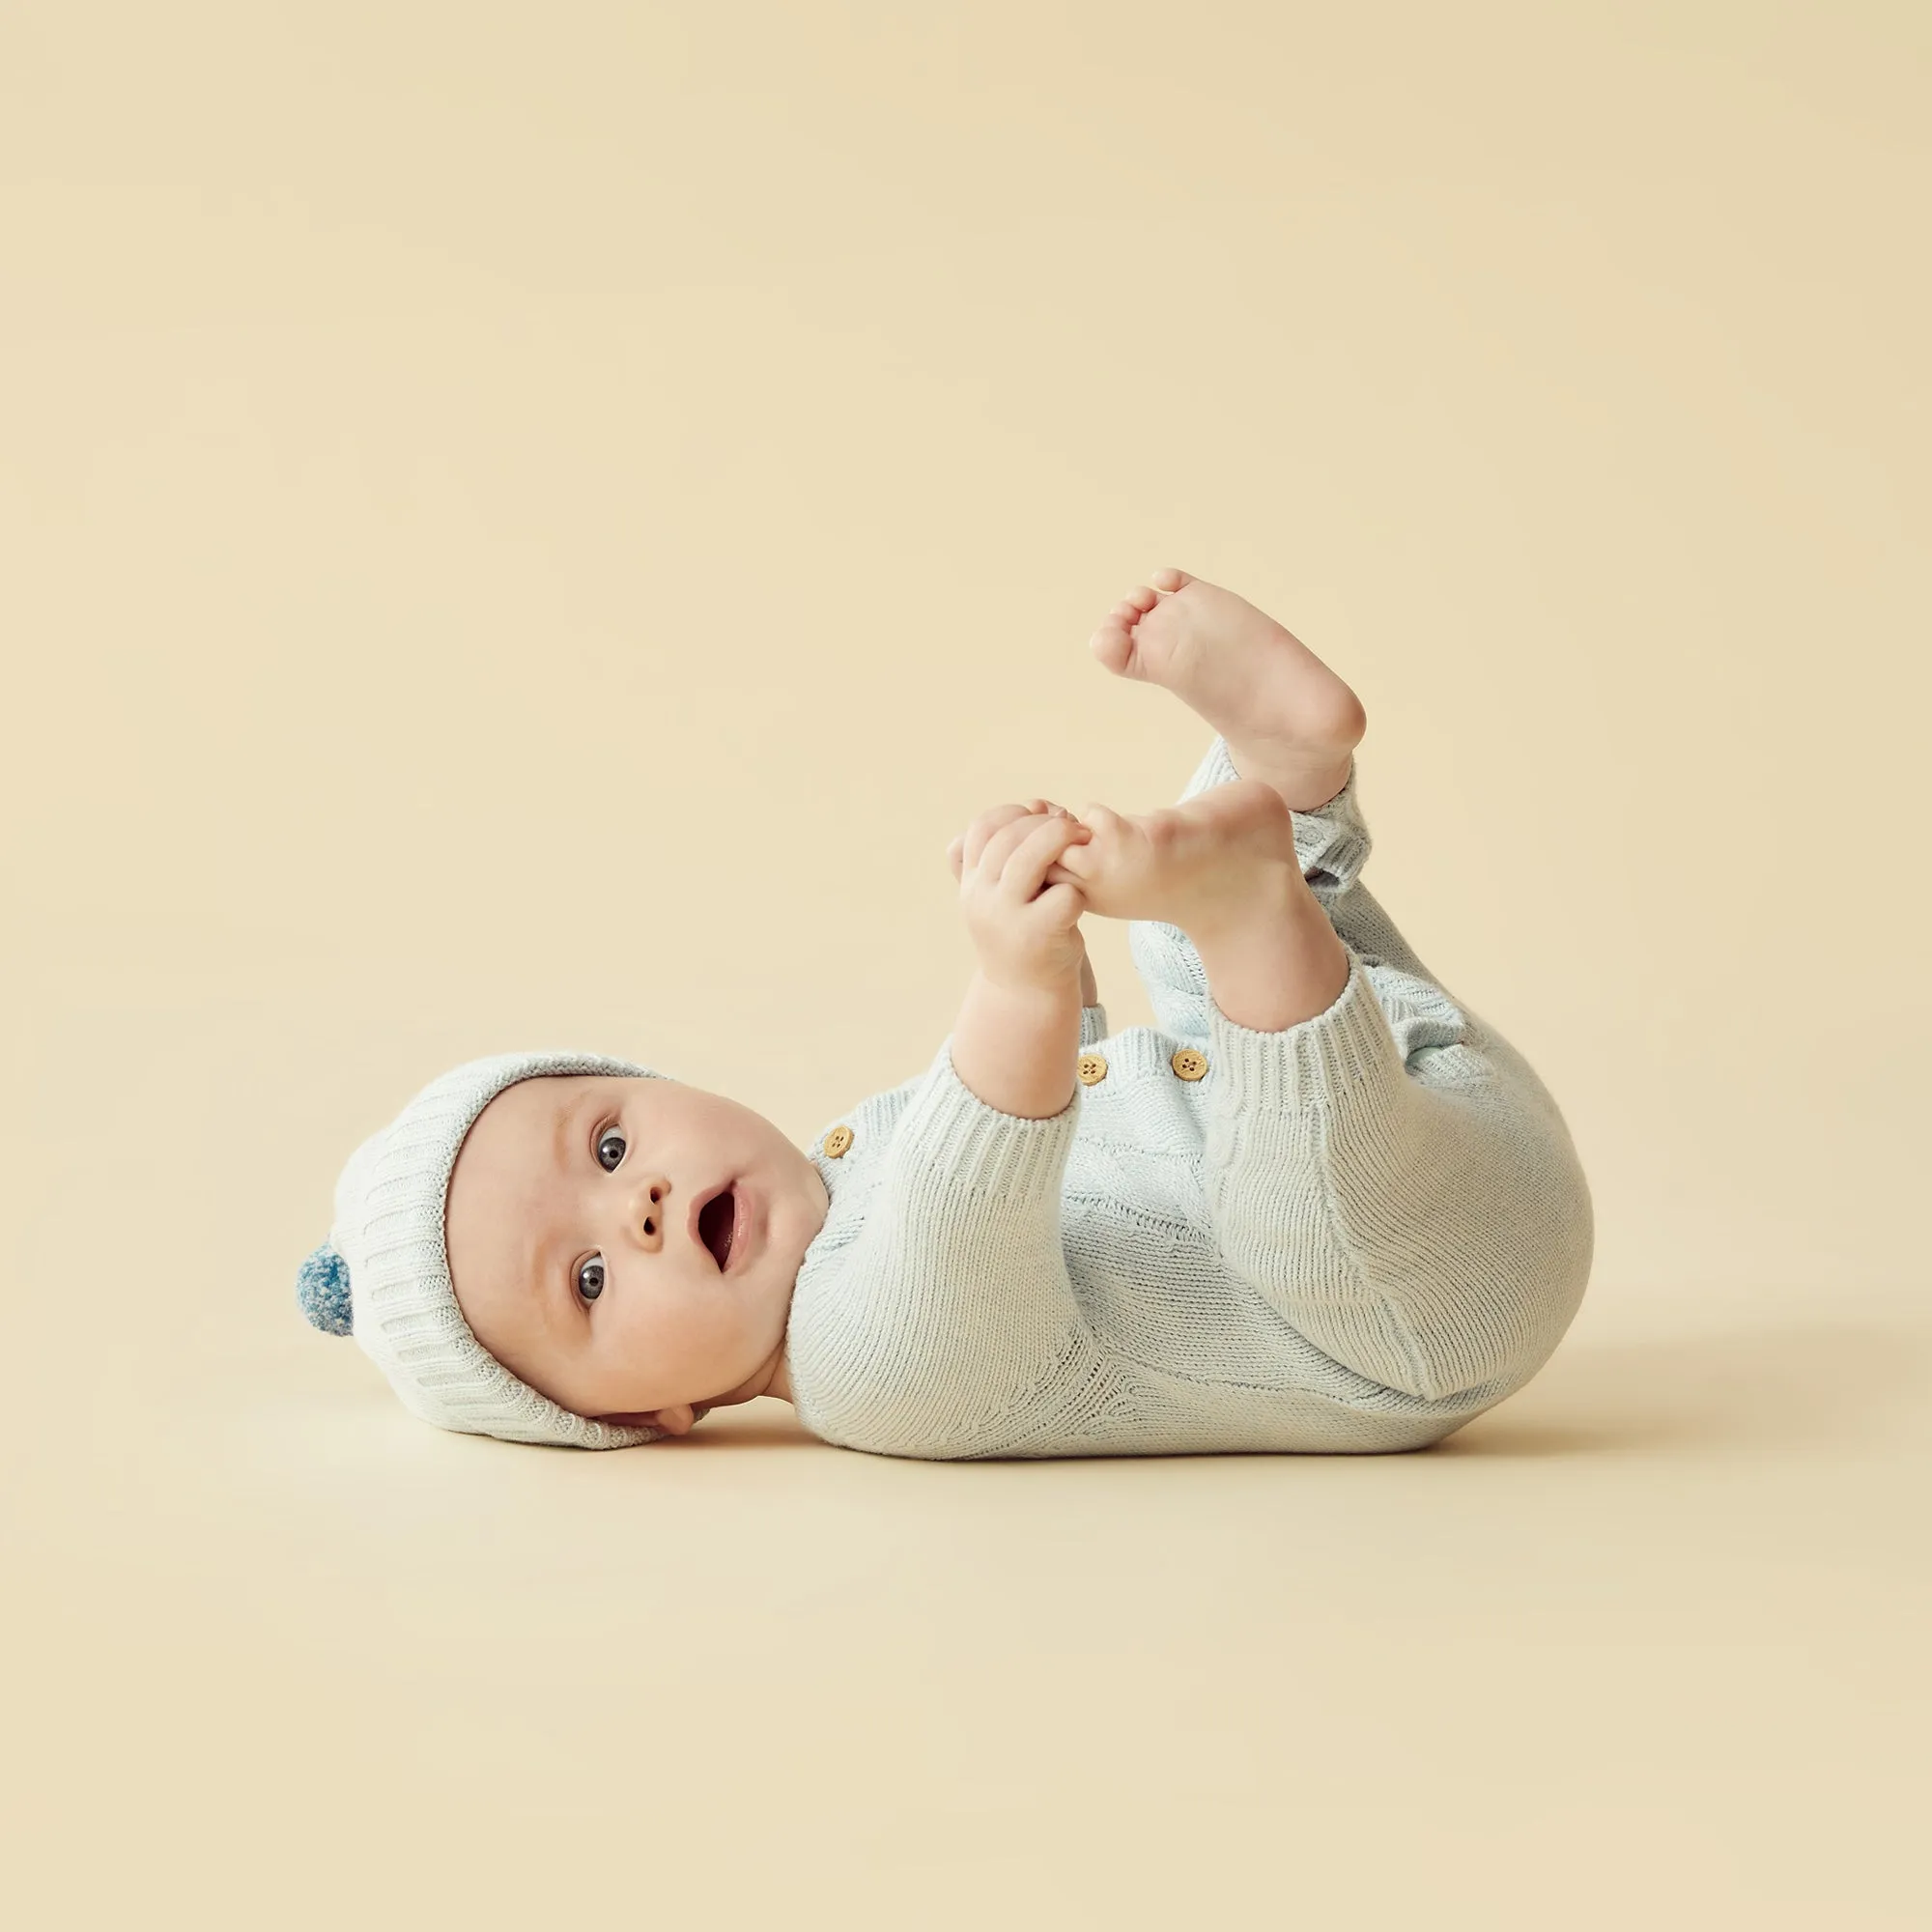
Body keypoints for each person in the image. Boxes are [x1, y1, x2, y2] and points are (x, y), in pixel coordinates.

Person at [296, 569, 1592, 1458]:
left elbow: (1059, 1116)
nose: (631, 1210)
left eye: (612, 1143)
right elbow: (969, 1232)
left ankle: (1282, 776)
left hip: (1412, 1108)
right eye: (586, 1282)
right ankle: (1255, 884)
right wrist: (1015, 986)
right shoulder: (872, 1375)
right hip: (1412, 1311)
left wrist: (1052, 939)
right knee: (1234, 1009)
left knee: (1177, 948)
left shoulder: (858, 1158)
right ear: (645, 1420)